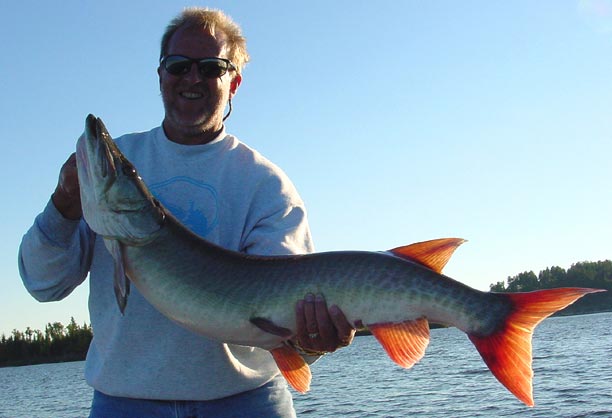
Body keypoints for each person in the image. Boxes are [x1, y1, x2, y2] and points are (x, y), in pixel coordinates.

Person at [18, 8, 355, 418]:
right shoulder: (114, 171)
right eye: (178, 66)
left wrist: (312, 338)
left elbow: (281, 311)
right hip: (124, 403)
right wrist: (63, 206)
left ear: (234, 83)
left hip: (246, 403)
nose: (192, 78)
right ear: (160, 76)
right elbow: (42, 283)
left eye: (211, 67)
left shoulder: (265, 185)